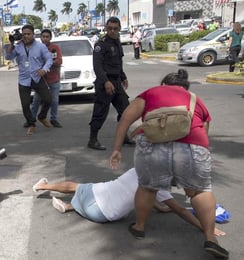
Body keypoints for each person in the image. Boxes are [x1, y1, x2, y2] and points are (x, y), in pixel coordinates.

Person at [108, 69, 229, 259]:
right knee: (201, 190)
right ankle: (210, 237)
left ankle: (139, 227)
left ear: (164, 84)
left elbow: (125, 119)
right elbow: (204, 128)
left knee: (147, 188)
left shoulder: (151, 93)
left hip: (152, 147)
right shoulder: (194, 99)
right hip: (191, 146)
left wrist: (117, 148)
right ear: (185, 87)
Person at [33, 168, 225, 237]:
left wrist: (161, 206)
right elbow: (181, 211)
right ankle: (70, 206)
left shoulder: (140, 170)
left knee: (79, 186)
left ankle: (43, 186)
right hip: (103, 217)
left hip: (95, 199)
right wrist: (206, 228)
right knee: (112, 202)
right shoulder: (160, 189)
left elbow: (138, 192)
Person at [88, 17, 135, 150]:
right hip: (105, 83)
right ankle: (92, 139)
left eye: (115, 28)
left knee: (126, 110)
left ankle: (124, 136)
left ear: (119, 29)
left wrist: (123, 76)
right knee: (100, 112)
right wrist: (106, 82)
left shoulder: (117, 42)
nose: (112, 31)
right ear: (106, 28)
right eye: (110, 28)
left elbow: (118, 64)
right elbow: (97, 66)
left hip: (116, 82)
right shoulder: (101, 44)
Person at [5, 24, 53, 135]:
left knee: (48, 100)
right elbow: (8, 57)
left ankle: (42, 117)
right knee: (25, 105)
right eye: (24, 34)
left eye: (28, 34)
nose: (26, 36)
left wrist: (44, 69)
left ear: (33, 34)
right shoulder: (18, 47)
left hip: (37, 77)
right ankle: (31, 124)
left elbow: (49, 60)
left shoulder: (40, 47)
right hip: (23, 79)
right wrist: (11, 45)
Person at [31, 29, 63, 128]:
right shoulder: (36, 48)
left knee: (54, 100)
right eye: (43, 36)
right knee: (37, 100)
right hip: (41, 79)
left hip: (54, 78)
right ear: (40, 37)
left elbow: (59, 60)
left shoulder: (55, 48)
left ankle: (53, 119)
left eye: (47, 36)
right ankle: (31, 119)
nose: (45, 38)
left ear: (50, 38)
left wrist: (49, 64)